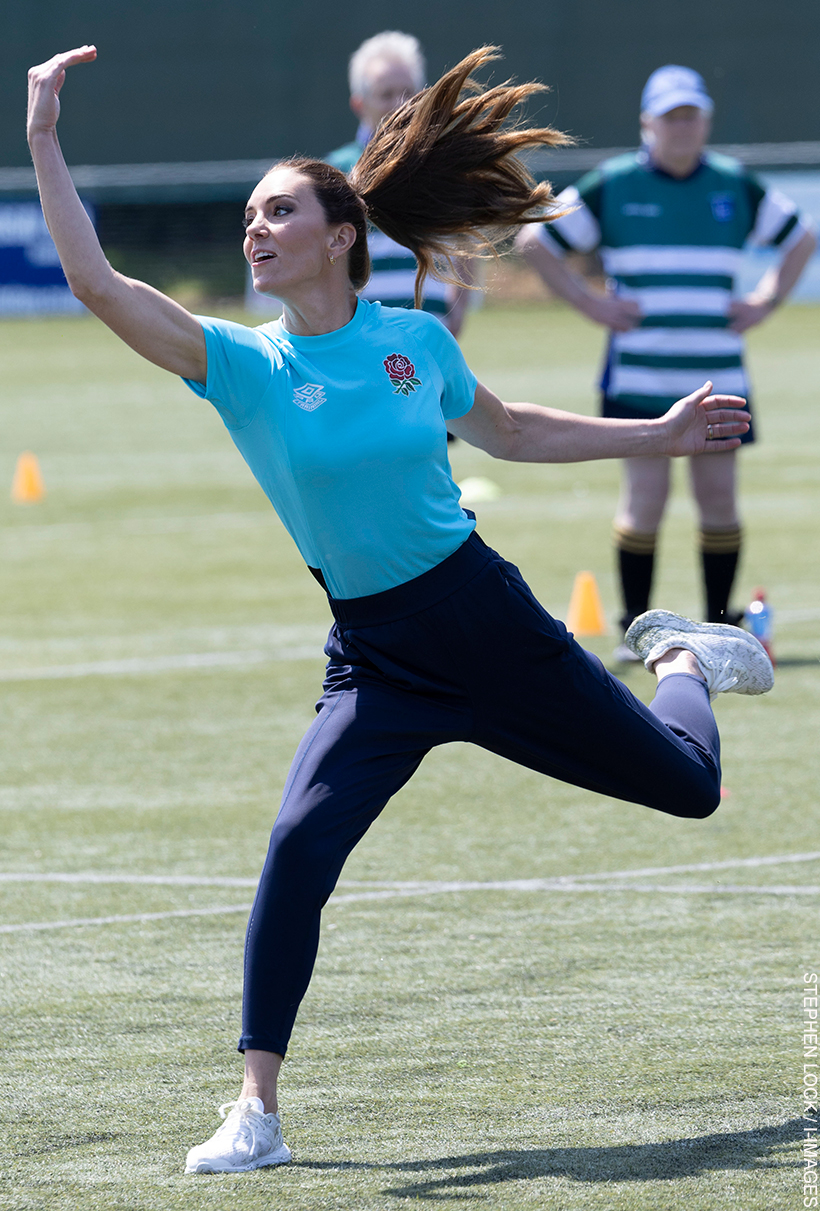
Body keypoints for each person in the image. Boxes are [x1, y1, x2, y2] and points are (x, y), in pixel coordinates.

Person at [28, 45, 774, 1176]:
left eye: (278, 211)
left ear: (339, 236)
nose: (254, 229)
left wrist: (659, 433)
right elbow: (96, 283)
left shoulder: (414, 345)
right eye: (248, 215)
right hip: (375, 657)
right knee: (295, 846)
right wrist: (41, 135)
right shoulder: (237, 363)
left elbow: (513, 430)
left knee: (690, 787)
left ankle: (683, 656)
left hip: (484, 622)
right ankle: (256, 1110)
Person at [517, 65, 816, 658]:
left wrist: (767, 300)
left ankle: (722, 627)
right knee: (644, 501)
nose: (682, 128)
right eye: (670, 117)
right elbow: (536, 241)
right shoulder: (616, 182)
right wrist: (587, 301)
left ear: (705, 122)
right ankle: (636, 628)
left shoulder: (733, 183)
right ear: (647, 124)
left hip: (717, 375)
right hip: (640, 373)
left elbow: (802, 236)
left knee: (719, 500)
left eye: (692, 117)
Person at [326, 30, 472, 338]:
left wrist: (458, 308)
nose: (400, 103)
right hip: (361, 336)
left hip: (430, 335)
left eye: (408, 92)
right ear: (359, 103)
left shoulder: (438, 162)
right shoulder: (334, 170)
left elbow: (465, 238)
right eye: (386, 94)